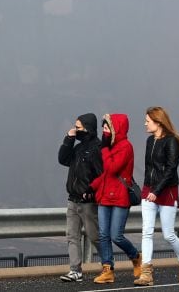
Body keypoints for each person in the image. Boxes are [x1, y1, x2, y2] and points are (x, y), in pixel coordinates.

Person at [134, 106, 179, 286]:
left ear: (158, 122)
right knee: (147, 232)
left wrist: (156, 191)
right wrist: (146, 190)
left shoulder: (171, 142)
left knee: (168, 235)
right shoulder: (149, 141)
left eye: (148, 121)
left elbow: (170, 169)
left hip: (166, 192)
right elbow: (149, 169)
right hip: (148, 190)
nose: (145, 124)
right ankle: (146, 274)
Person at [89, 113, 141, 284]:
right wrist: (92, 187)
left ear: (115, 129)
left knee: (116, 235)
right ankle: (107, 270)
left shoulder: (125, 147)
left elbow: (112, 169)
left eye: (106, 128)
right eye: (103, 128)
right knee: (103, 234)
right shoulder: (110, 146)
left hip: (120, 197)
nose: (104, 131)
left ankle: (135, 256)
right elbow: (105, 176)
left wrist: (104, 149)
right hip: (105, 196)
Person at [57, 113, 103, 282]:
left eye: (78, 127)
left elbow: (101, 175)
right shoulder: (77, 148)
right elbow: (62, 159)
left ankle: (107, 265)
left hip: (88, 202)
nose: (75, 130)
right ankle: (75, 270)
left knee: (94, 236)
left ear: (88, 128)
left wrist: (91, 192)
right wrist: (68, 139)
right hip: (73, 199)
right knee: (72, 236)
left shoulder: (97, 148)